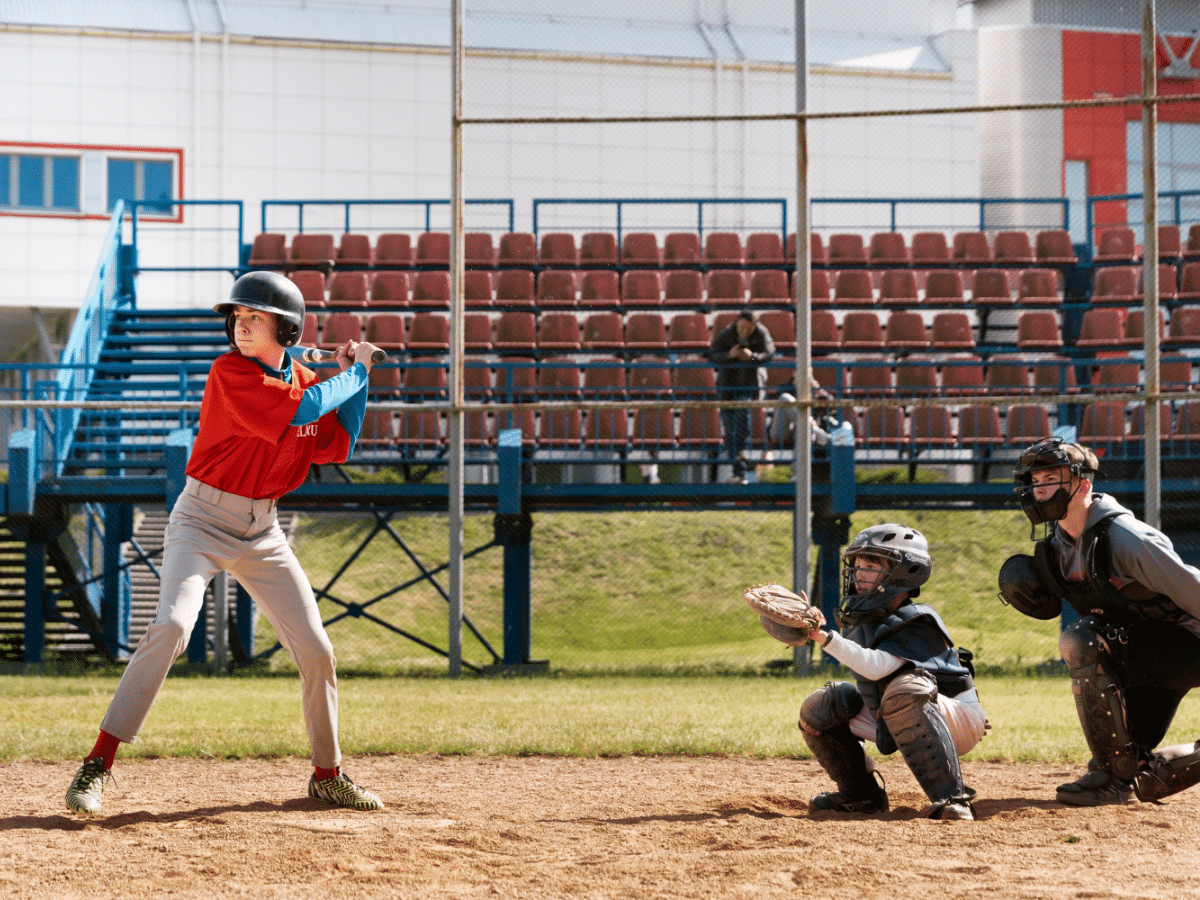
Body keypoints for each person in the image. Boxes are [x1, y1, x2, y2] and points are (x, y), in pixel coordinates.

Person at [65, 271, 385, 815]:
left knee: (317, 650)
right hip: (202, 519)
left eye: (255, 319)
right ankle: (97, 764)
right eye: (237, 318)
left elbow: (338, 444)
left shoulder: (309, 379)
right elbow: (304, 410)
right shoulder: (230, 373)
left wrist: (359, 379)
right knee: (170, 625)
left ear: (287, 330)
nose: (240, 327)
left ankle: (327, 775)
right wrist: (350, 372)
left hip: (264, 532)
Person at [1000, 437, 1200, 806]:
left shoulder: (1128, 539)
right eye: (1035, 482)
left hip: (1191, 646)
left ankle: (1113, 777)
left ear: (1084, 485)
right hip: (1153, 649)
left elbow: (1194, 590)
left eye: (1051, 480)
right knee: (1134, 770)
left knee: (1085, 640)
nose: (1040, 490)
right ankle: (1119, 774)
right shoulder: (1058, 547)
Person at [764, 523, 988, 819]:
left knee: (905, 689)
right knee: (824, 705)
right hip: (894, 712)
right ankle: (861, 796)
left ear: (904, 573)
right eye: (856, 565)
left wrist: (824, 638)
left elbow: (876, 666)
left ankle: (952, 799)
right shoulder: (861, 619)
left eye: (870, 565)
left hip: (955, 718)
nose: (858, 573)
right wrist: (806, 629)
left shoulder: (917, 619)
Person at [708, 307, 774, 483]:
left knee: (742, 414)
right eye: (741, 326)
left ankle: (742, 456)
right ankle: (739, 470)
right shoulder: (727, 333)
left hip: (749, 386)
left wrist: (752, 357)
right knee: (729, 431)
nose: (744, 330)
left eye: (748, 328)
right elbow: (712, 354)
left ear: (754, 326)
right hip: (727, 387)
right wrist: (729, 355)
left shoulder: (761, 333)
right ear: (737, 322)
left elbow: (769, 354)